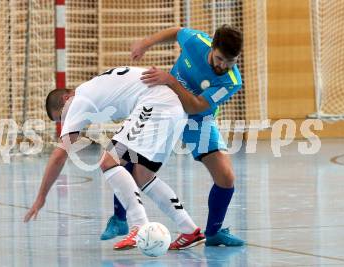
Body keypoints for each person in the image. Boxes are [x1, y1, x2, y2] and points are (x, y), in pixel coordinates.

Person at [24, 67, 205, 250]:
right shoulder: (93, 88)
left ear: (65, 99)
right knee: (143, 176)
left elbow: (58, 157)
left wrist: (41, 197)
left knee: (109, 160)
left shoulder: (79, 100)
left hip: (156, 104)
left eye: (61, 117)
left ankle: (140, 226)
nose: (65, 121)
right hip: (174, 109)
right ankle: (189, 230)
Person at [102, 25, 245, 248]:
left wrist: (171, 80)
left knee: (226, 178)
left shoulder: (231, 81)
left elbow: (197, 106)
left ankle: (214, 233)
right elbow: (176, 31)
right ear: (212, 47)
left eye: (231, 62)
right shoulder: (196, 41)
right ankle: (120, 220)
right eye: (219, 59)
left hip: (197, 119)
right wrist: (146, 42)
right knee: (130, 158)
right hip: (164, 106)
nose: (223, 66)